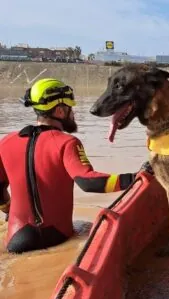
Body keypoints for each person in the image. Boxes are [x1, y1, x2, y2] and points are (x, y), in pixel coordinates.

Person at [0, 78, 152, 254]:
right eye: (70, 109)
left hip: (15, 238)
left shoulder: (7, 141)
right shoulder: (66, 142)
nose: (73, 114)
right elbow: (88, 182)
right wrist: (135, 177)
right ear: (60, 111)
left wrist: (8, 211)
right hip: (56, 237)